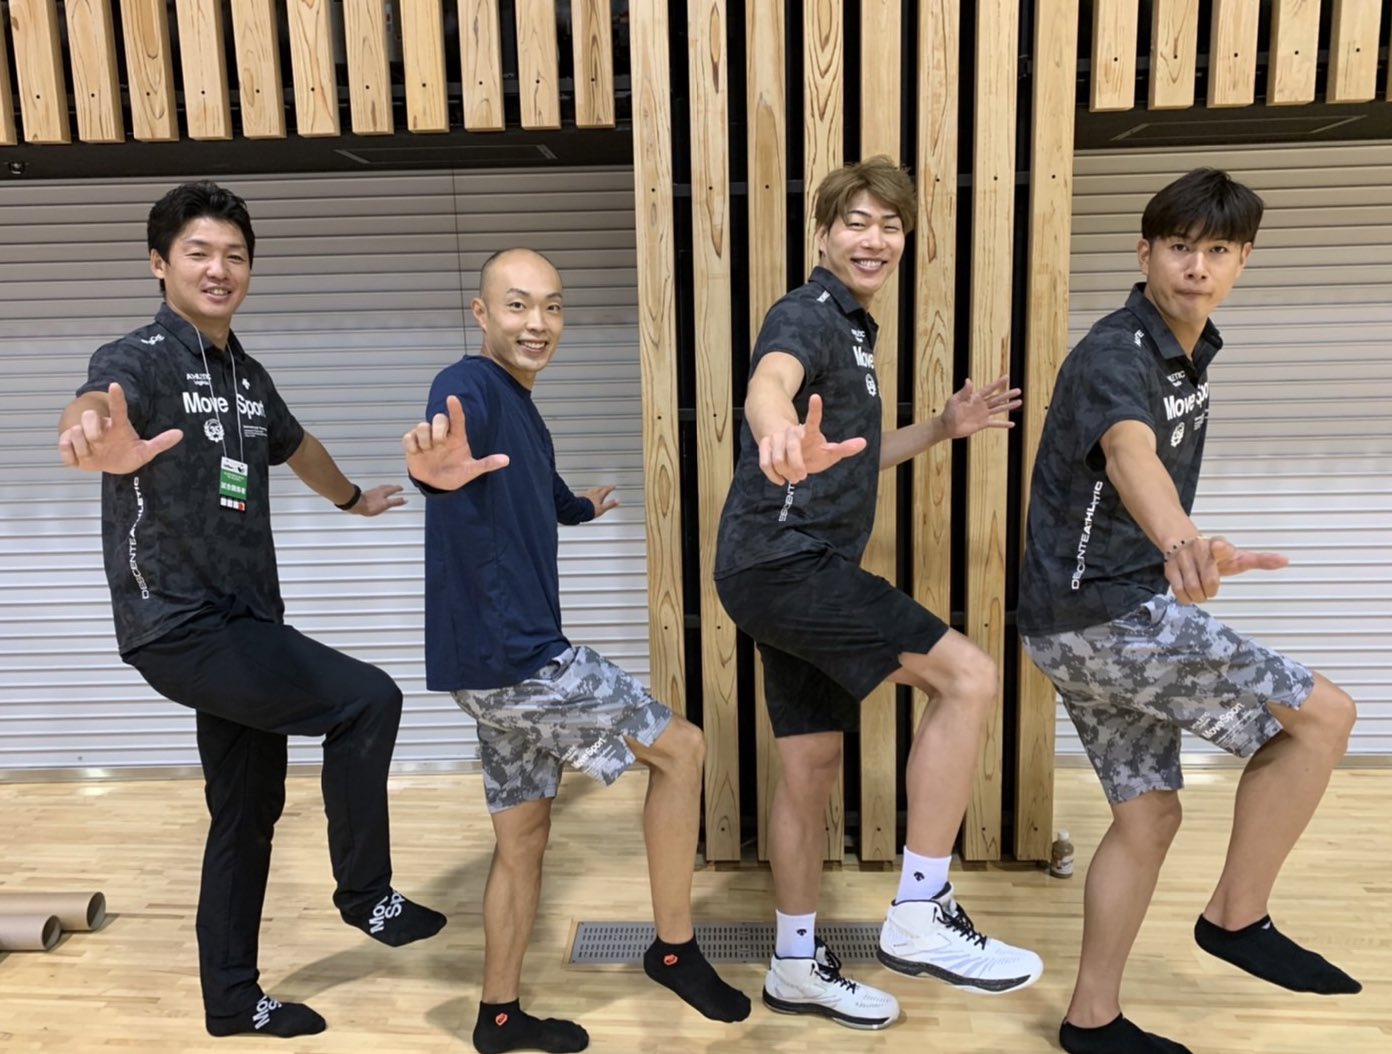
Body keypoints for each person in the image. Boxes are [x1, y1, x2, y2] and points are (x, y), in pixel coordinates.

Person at [56, 182, 445, 1039]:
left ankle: (232, 1000)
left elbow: (296, 446)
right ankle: (367, 894)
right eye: (198, 252)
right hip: (178, 624)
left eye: (234, 255)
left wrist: (351, 499)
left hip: (245, 622)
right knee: (367, 699)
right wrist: (87, 431)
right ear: (159, 264)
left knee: (245, 811)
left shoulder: (247, 376)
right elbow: (94, 399)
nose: (218, 268)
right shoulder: (141, 358)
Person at [1016, 167, 1361, 1054]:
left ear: (1242, 261)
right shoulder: (1115, 353)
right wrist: (1180, 540)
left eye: (1216, 250)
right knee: (1323, 716)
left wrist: (1183, 546)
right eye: (1178, 247)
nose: (1195, 267)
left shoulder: (1189, 349)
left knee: (1147, 816)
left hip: (1072, 620)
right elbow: (1128, 451)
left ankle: (1091, 1022)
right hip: (1106, 616)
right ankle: (1236, 917)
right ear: (1144, 253)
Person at [712, 155, 1043, 1030]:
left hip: (773, 569)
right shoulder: (806, 314)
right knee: (968, 677)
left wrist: (941, 427)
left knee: (809, 766)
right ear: (823, 233)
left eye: (889, 225)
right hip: (785, 562)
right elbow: (769, 383)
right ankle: (920, 908)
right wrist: (775, 433)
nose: (874, 238)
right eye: (855, 221)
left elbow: (855, 459)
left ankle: (793, 966)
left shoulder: (857, 333)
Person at [403, 247, 751, 1054]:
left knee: (523, 839)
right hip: (519, 658)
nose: (538, 323)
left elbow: (537, 490)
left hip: (483, 669)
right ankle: (673, 951)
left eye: (552, 306)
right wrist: (431, 477)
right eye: (518, 305)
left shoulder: (523, 409)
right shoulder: (468, 384)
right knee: (683, 750)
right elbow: (448, 454)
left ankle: (497, 1017)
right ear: (481, 313)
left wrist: (580, 509)